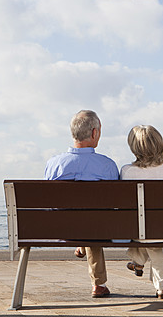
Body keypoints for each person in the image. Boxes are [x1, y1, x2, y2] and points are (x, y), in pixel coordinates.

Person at [45, 110, 118, 298]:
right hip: (96, 228)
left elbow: (51, 204)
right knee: (93, 219)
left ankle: (81, 244)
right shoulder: (107, 165)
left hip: (62, 227)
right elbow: (112, 206)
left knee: (84, 219)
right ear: (94, 133)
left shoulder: (54, 164)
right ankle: (98, 285)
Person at [120, 125, 163, 299]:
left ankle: (159, 285)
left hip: (140, 230)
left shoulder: (128, 171)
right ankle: (140, 264)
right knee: (154, 235)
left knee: (148, 233)